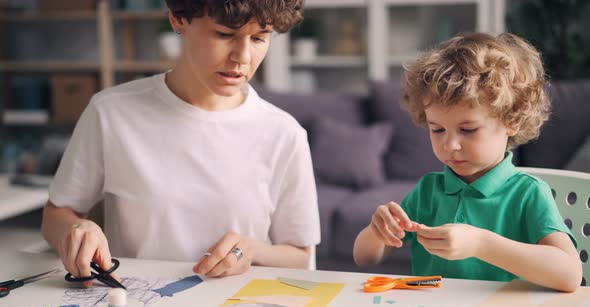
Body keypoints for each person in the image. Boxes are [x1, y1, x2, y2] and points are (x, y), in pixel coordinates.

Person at [42, 0, 320, 285]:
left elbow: (301, 256)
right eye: (224, 34)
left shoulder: (284, 133)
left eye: (260, 38)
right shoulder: (111, 112)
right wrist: (78, 228)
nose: (243, 57)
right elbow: (56, 215)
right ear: (178, 20)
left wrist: (252, 249)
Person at [353, 32, 582, 292]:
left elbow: (569, 275)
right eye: (437, 130)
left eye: (469, 129)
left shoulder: (528, 193)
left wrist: (480, 244)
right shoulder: (429, 190)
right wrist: (377, 232)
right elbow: (364, 258)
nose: (450, 145)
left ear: (512, 121)